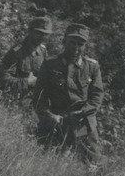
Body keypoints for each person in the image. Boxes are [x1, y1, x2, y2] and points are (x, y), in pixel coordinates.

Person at [32, 23, 104, 166]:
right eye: (72, 43)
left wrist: (81, 114)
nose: (76, 48)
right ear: (64, 41)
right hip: (55, 117)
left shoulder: (92, 67)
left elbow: (96, 98)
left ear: (85, 46)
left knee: (93, 165)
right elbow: (39, 96)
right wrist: (49, 115)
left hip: (82, 121)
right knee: (43, 159)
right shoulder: (50, 64)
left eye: (80, 44)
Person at [0, 15, 53, 109]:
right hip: (15, 103)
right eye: (38, 33)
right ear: (30, 31)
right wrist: (27, 82)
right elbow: (2, 80)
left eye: (45, 34)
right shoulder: (16, 52)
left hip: (35, 102)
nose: (42, 37)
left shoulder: (43, 51)